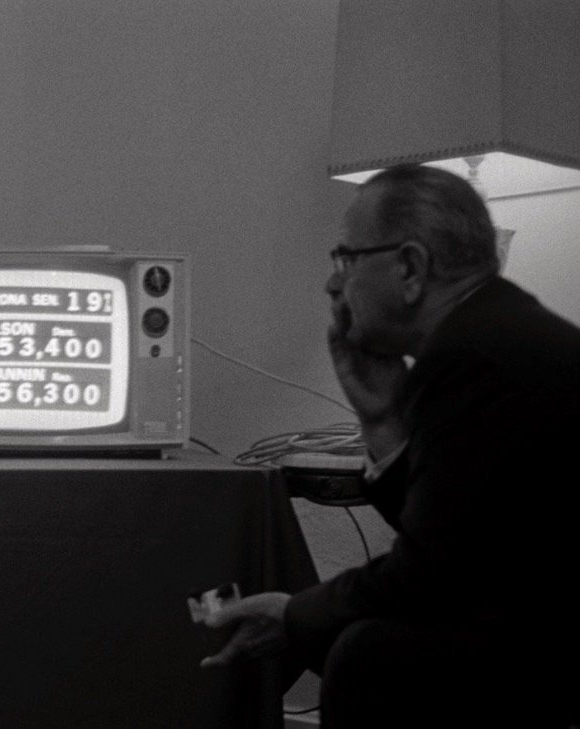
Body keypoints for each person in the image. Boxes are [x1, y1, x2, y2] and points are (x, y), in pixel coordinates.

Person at [199, 164, 580, 727]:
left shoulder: (470, 358)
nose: (333, 285)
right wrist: (382, 421)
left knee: (368, 653)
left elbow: (428, 577)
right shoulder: (496, 330)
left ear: (410, 268)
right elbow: (456, 547)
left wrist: (296, 613)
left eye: (346, 259)